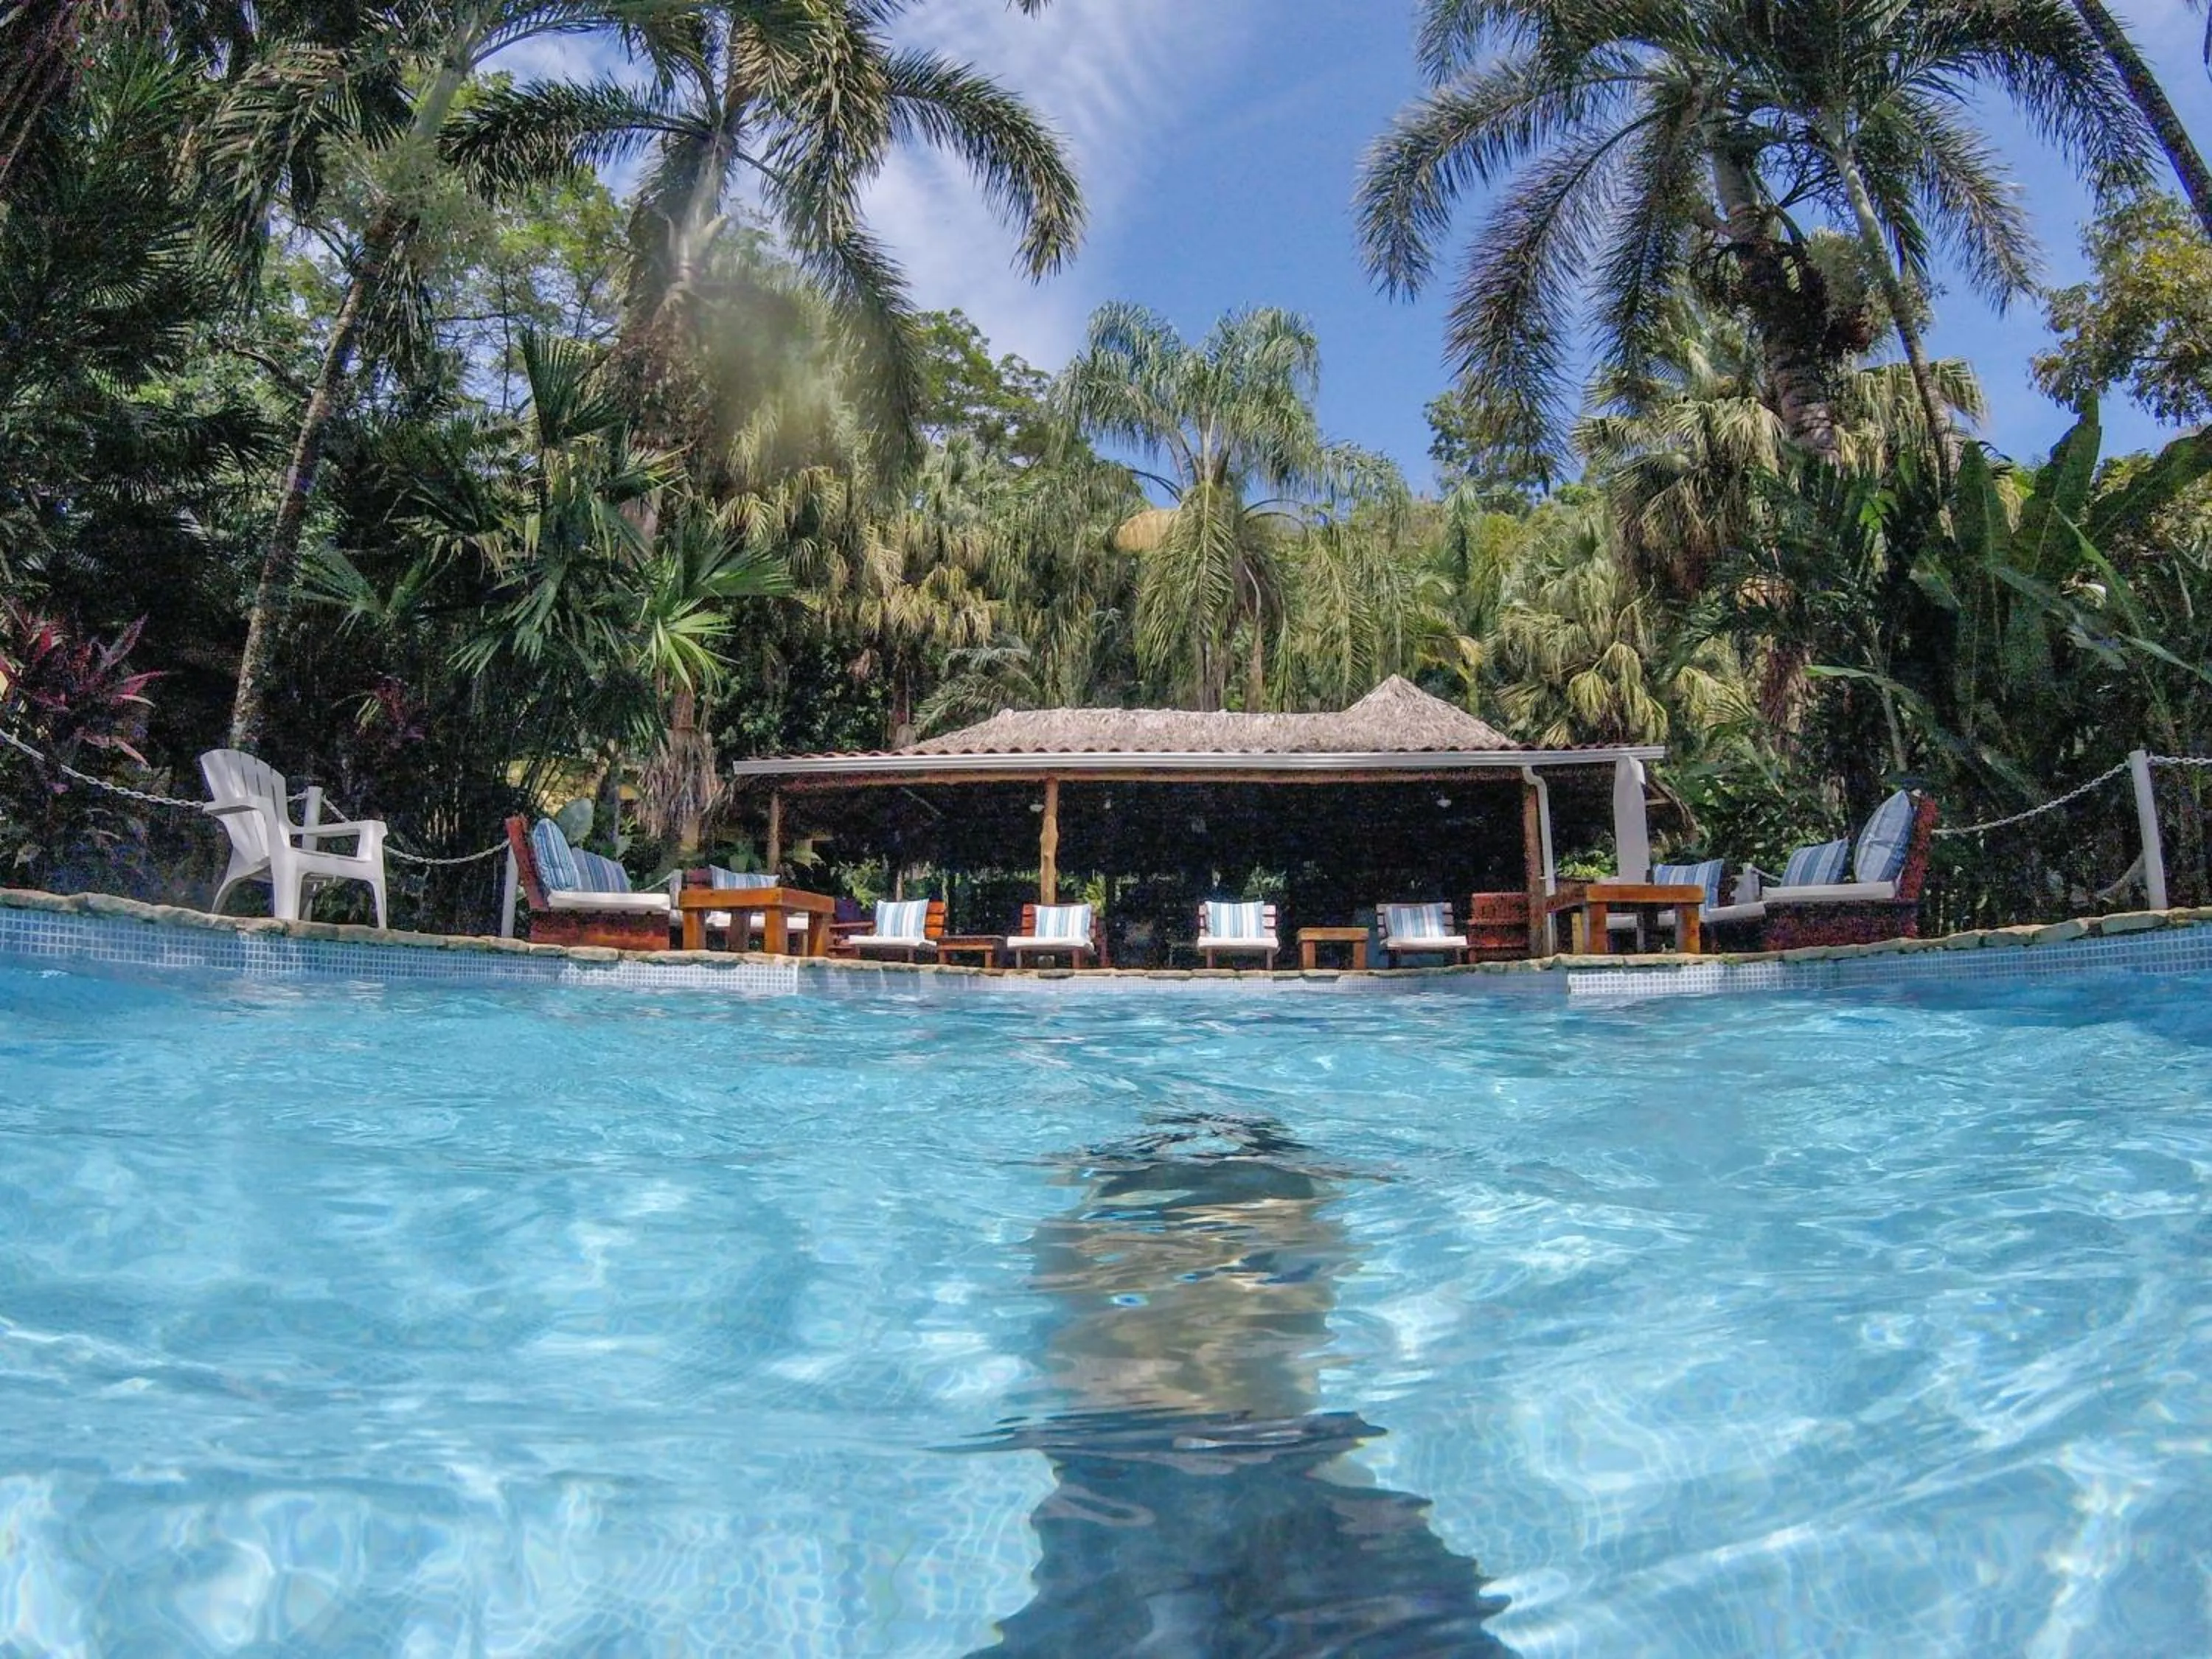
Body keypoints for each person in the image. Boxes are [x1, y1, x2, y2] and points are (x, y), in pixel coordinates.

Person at [968, 1113, 1512, 1656]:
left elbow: (1054, 1259)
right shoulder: (1290, 1259)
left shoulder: (1084, 1264)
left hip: (1139, 1468)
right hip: (1267, 1471)